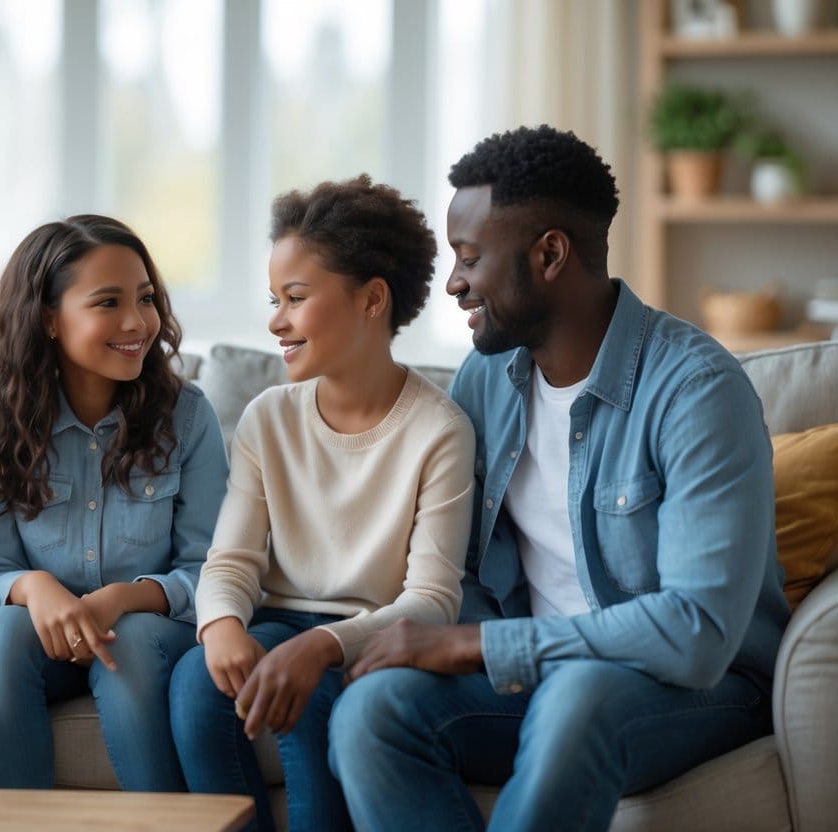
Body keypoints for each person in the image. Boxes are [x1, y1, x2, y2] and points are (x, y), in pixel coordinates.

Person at [327, 125, 791, 831]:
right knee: (371, 710)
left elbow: (696, 631)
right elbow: (468, 568)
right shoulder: (486, 378)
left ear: (549, 254)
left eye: (470, 258)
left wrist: (478, 646)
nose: (452, 283)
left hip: (691, 690)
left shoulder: (696, 392)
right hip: (535, 677)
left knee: (579, 698)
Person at [169, 175, 476, 831]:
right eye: (273, 299)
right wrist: (222, 625)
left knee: (309, 701)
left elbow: (432, 601)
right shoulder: (267, 417)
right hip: (275, 619)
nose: (275, 320)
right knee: (195, 684)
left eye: (296, 298)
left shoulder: (438, 430)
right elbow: (230, 561)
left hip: (369, 637)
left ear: (371, 300)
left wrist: (324, 648)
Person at [0, 215, 228, 791]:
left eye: (146, 298)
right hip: (47, 643)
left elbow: (212, 569)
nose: (138, 322)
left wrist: (124, 599)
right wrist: (35, 588)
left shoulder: (188, 418)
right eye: (107, 302)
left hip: (151, 635)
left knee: (128, 639)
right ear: (47, 319)